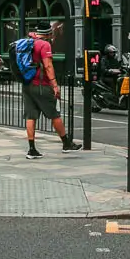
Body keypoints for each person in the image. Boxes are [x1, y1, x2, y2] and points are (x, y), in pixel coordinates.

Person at [20, 23, 81, 159]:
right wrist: (54, 85)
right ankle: (66, 143)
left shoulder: (29, 42)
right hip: (41, 84)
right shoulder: (44, 45)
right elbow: (47, 65)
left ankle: (31, 149)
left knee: (31, 116)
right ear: (49, 33)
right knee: (55, 114)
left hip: (27, 84)